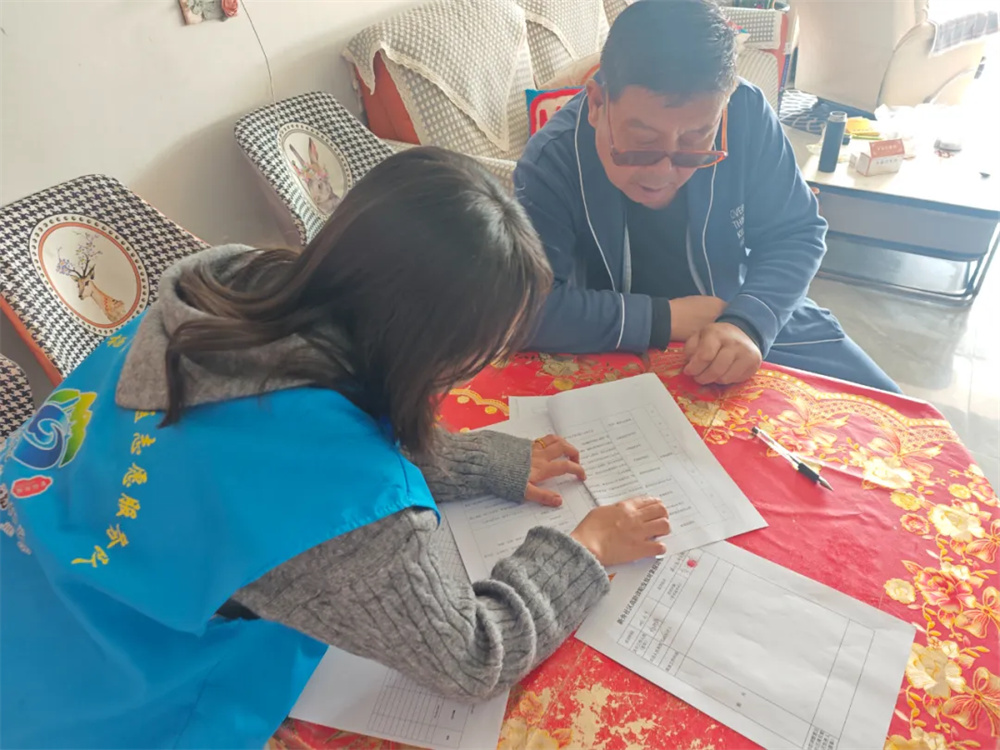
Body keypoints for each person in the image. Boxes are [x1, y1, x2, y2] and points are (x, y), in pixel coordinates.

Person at [0, 148, 671, 749]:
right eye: (476, 355)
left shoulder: (233, 287)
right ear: (423, 350)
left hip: (33, 573)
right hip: (87, 701)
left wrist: (477, 462)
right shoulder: (346, 506)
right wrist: (585, 547)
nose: (476, 374)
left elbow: (299, 414)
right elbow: (473, 658)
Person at [514, 0, 898, 392]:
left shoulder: (746, 113)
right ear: (597, 103)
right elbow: (526, 308)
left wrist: (747, 323)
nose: (663, 172)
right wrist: (666, 318)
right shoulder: (552, 160)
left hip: (741, 312)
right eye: (642, 140)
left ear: (724, 106)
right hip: (606, 337)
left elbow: (795, 232)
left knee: (891, 415)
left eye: (697, 139)